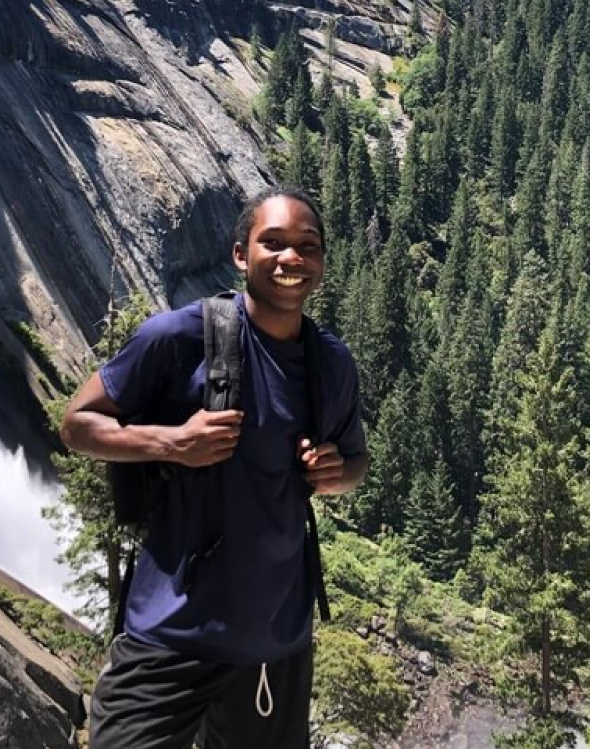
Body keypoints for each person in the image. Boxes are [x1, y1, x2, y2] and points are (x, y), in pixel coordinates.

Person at [61, 189, 368, 749]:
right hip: (171, 630)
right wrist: (172, 442)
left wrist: (334, 474)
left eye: (307, 246)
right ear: (241, 255)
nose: (291, 257)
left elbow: (356, 463)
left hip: (273, 644)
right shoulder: (178, 338)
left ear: (322, 263)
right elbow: (77, 424)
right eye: (273, 242)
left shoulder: (331, 363)